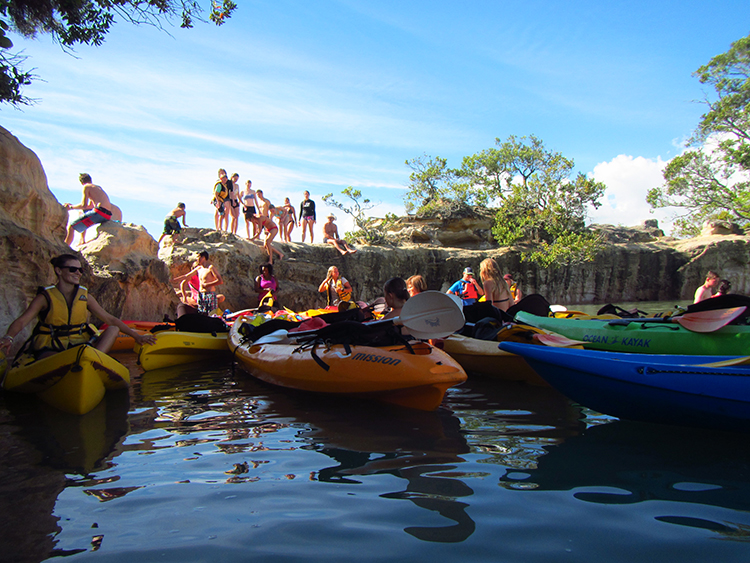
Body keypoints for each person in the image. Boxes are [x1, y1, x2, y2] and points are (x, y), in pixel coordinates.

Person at [0, 254, 155, 359]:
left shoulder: (85, 296)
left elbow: (110, 319)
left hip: (80, 343)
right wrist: (9, 337)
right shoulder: (45, 297)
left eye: (80, 270)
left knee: (113, 329)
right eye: (72, 269)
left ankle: (93, 361)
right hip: (52, 346)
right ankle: (83, 362)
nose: (78, 273)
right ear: (59, 271)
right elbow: (22, 321)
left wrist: (137, 337)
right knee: (56, 358)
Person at [64, 173, 123, 246]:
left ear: (81, 182)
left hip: (99, 212)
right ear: (90, 180)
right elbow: (89, 206)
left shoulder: (86, 187)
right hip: (107, 214)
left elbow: (84, 205)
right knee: (84, 214)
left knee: (72, 226)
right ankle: (82, 240)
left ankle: (65, 247)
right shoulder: (97, 187)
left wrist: (70, 207)